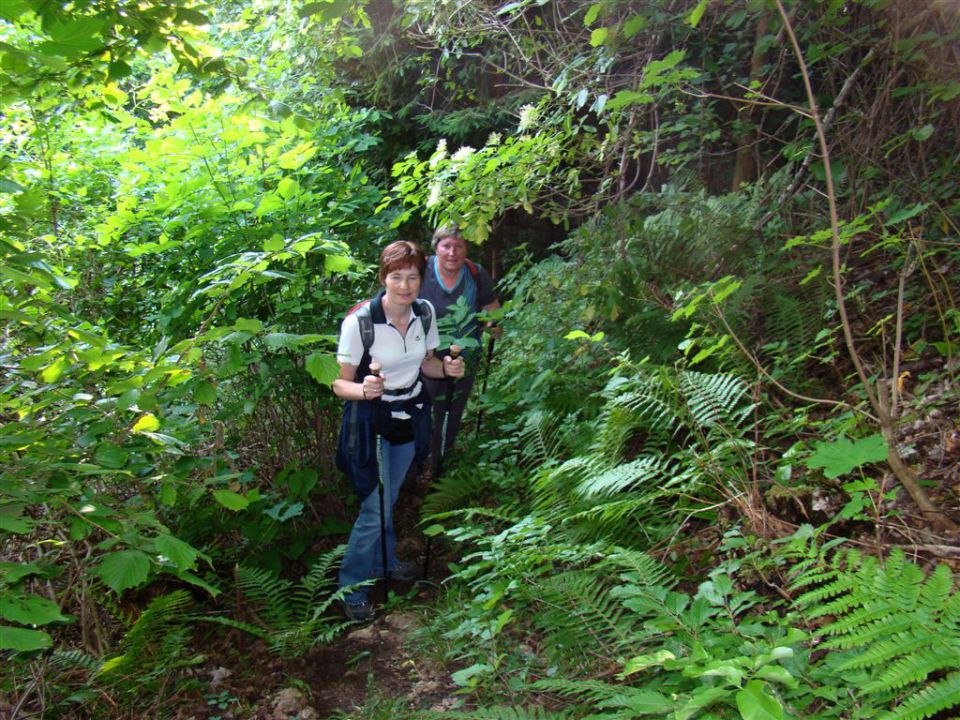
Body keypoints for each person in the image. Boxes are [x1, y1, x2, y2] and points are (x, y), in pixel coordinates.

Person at [333, 240, 465, 621]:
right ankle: (351, 586)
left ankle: (384, 563)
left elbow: (427, 365)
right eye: (396, 277)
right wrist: (363, 389)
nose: (405, 285)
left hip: (408, 415)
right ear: (383, 277)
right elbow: (340, 384)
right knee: (375, 507)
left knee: (386, 499)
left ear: (421, 280)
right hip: (369, 419)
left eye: (412, 277)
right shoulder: (360, 322)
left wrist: (448, 369)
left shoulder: (424, 313)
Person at [419, 224, 501, 461]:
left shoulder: (476, 274)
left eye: (458, 246)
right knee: (428, 410)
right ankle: (424, 461)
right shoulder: (422, 270)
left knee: (454, 411)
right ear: (436, 247)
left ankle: (445, 462)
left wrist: (492, 325)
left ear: (467, 249)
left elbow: (492, 309)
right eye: (446, 246)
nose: (452, 253)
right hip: (427, 359)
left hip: (465, 359)